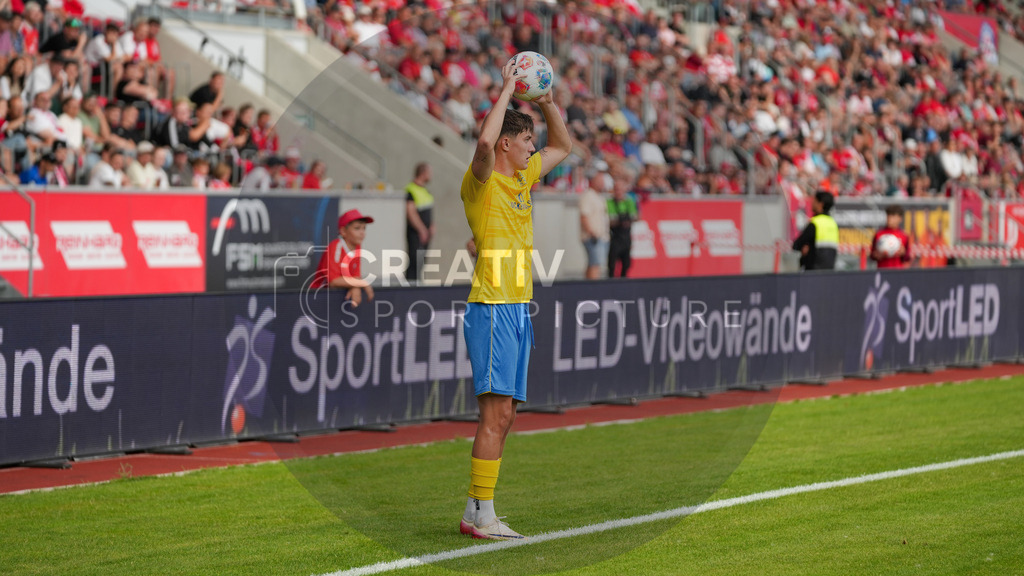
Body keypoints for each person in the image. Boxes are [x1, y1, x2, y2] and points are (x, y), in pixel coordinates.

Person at [459, 58, 571, 541]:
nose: (533, 148)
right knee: (494, 413)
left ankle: (475, 507)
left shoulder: (524, 180)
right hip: (492, 306)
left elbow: (564, 145)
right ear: (508, 142)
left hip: (518, 306)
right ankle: (482, 515)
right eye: (526, 140)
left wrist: (546, 104)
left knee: (507, 414)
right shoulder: (481, 182)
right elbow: (484, 141)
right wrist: (507, 89)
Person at [311, 209, 375, 307]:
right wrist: (362, 283)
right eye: (357, 228)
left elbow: (355, 276)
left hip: (336, 299)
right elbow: (334, 281)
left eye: (364, 228)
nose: (362, 232)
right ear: (343, 231)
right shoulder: (335, 247)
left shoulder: (357, 247)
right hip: (318, 297)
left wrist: (354, 287)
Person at [792, 190, 839, 270]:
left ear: (821, 204)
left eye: (815, 201)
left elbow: (796, 245)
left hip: (813, 271)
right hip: (829, 271)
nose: (812, 203)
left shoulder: (816, 222)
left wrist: (804, 248)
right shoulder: (833, 223)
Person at [405, 162, 434, 283]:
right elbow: (411, 212)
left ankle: (417, 283)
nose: (431, 175)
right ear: (423, 173)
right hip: (416, 233)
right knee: (414, 261)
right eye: (429, 172)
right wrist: (422, 229)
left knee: (421, 262)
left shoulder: (426, 191)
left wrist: (431, 227)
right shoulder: (411, 190)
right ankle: (410, 287)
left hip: (426, 234)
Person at [579, 170, 610, 279]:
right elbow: (584, 216)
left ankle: (589, 287)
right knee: (595, 263)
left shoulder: (599, 197)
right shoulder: (588, 196)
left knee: (594, 263)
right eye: (599, 181)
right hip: (593, 237)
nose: (602, 183)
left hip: (601, 236)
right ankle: (592, 287)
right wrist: (591, 232)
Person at [606, 171, 638, 278]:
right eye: (616, 189)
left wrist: (625, 220)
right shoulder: (610, 202)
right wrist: (622, 220)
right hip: (615, 238)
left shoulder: (629, 201)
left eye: (620, 189)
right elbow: (611, 220)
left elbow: (636, 217)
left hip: (626, 237)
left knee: (626, 264)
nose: (618, 192)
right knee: (612, 265)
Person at [871, 205, 911, 269]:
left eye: (893, 216)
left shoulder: (904, 235)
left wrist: (903, 253)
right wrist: (877, 255)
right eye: (888, 216)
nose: (889, 219)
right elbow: (872, 255)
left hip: (897, 271)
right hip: (882, 270)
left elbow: (907, 257)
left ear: (900, 219)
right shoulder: (879, 234)